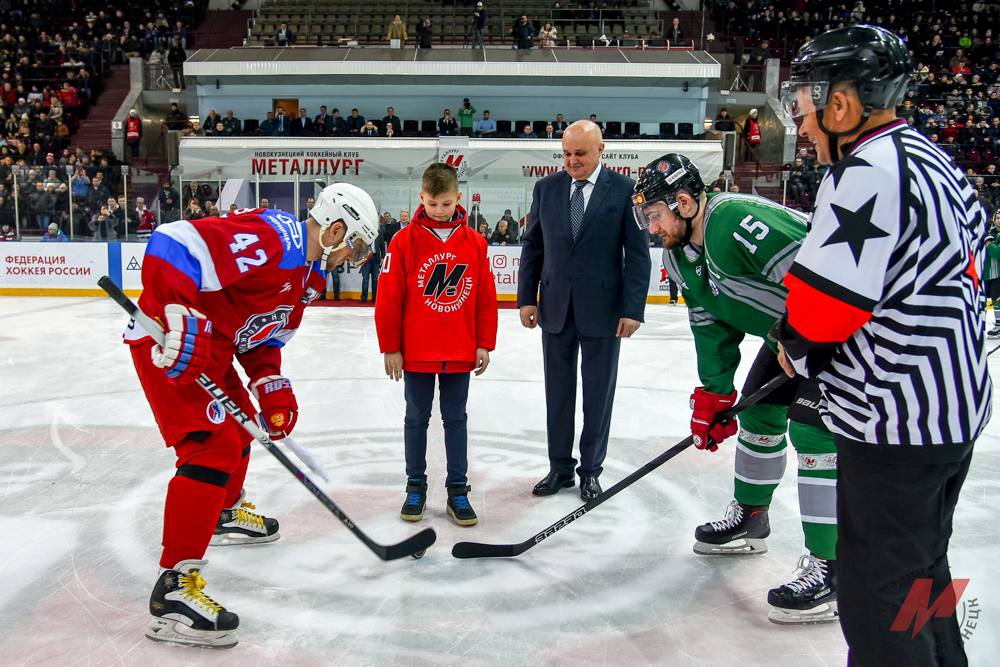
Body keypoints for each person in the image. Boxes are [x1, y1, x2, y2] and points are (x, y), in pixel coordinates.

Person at [776, 25, 990, 666]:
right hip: (948, 418)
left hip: (894, 428)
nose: (803, 121)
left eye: (806, 102)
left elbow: (819, 313)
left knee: (877, 604)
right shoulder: (933, 159)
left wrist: (790, 352)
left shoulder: (866, 171)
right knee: (924, 577)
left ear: (841, 103)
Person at [125, 184, 379, 648]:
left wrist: (270, 387)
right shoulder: (276, 238)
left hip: (214, 353)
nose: (355, 258)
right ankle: (173, 592)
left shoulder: (307, 279)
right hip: (169, 344)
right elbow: (172, 243)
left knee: (243, 431)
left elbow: (261, 339)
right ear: (337, 229)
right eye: (357, 245)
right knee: (213, 447)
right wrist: (177, 313)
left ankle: (219, 514)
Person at [634, 152, 840, 624]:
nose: (652, 228)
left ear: (685, 203)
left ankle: (832, 568)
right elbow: (709, 323)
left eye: (656, 215)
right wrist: (716, 393)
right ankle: (752, 518)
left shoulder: (735, 221)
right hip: (790, 336)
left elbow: (820, 275)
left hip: (836, 333)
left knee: (814, 433)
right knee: (760, 415)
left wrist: (804, 337)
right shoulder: (679, 254)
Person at [517, 121, 649, 501]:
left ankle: (591, 470)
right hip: (555, 308)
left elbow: (637, 255)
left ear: (600, 150)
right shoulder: (546, 188)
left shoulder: (626, 191)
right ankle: (560, 468)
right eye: (567, 154)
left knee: (597, 397)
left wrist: (633, 308)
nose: (573, 161)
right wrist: (527, 297)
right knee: (557, 395)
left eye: (581, 153)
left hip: (605, 312)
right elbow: (533, 247)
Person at [375, 163, 498, 527]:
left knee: (456, 418)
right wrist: (391, 347)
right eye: (432, 204)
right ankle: (416, 487)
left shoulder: (475, 242)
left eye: (446, 204)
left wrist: (484, 343)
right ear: (421, 198)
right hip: (416, 352)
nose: (439, 211)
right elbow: (388, 297)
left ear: (458, 198)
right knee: (416, 418)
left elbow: (485, 299)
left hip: (460, 350)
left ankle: (457, 491)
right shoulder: (403, 241)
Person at [985, 235, 1000, 337]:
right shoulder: (991, 232)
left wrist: (989, 244)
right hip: (984, 274)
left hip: (997, 274)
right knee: (980, 300)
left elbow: (998, 254)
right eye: (997, 218)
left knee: (996, 300)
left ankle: (999, 325)